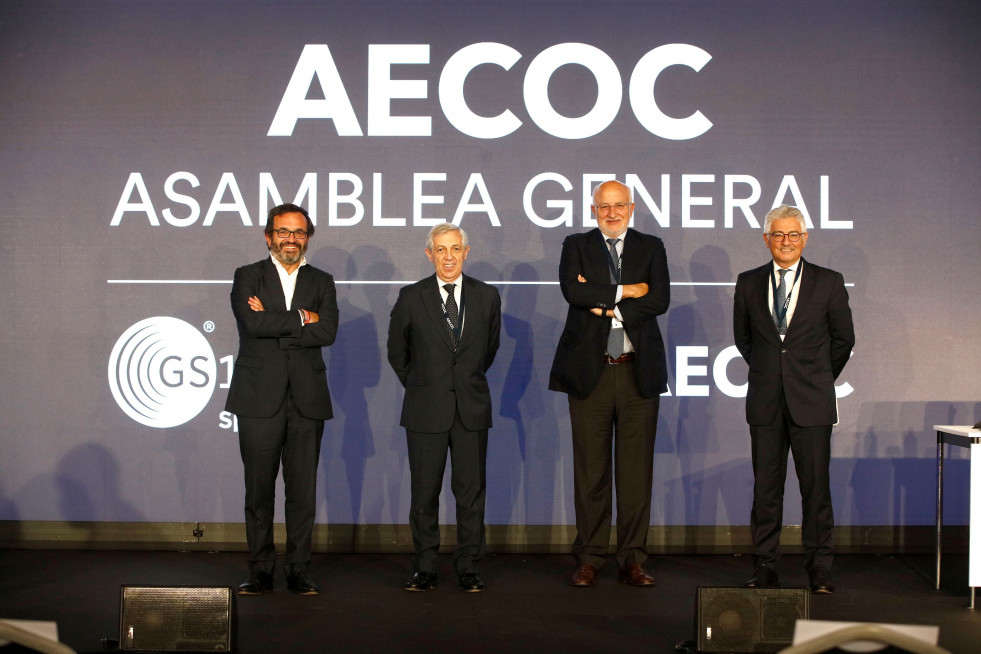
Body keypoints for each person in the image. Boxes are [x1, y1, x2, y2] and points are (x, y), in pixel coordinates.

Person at [548, 180, 670, 587]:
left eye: (619, 206)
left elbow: (660, 299)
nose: (612, 213)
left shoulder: (651, 246)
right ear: (594, 209)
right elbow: (572, 291)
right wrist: (628, 291)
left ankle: (632, 558)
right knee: (591, 472)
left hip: (637, 372)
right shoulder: (576, 245)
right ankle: (591, 556)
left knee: (635, 474)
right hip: (591, 373)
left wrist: (605, 305)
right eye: (604, 207)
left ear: (631, 208)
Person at [733, 204, 854, 594]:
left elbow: (843, 340)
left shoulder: (829, 281)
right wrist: (775, 375)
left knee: (815, 489)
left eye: (794, 235)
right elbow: (745, 339)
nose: (786, 242)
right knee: (766, 489)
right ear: (767, 239)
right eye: (779, 235)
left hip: (812, 402)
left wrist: (816, 378)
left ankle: (820, 569)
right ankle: (765, 566)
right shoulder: (748, 282)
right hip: (766, 401)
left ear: (805, 238)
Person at [225, 203, 338, 596]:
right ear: (269, 236)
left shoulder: (322, 280)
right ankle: (259, 570)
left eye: (299, 232)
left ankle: (298, 570)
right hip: (258, 399)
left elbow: (328, 333)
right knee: (258, 492)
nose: (291, 239)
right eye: (283, 232)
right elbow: (251, 324)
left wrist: (275, 319)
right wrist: (303, 318)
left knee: (302, 493)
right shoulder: (248, 276)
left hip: (307, 400)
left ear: (308, 237)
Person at [387, 222, 501, 593]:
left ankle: (468, 565)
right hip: (425, 410)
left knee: (470, 493)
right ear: (429, 254)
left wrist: (460, 384)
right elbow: (397, 353)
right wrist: (423, 386)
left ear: (466, 252)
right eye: (441, 250)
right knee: (424, 493)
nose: (448, 256)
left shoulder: (486, 297)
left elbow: (489, 350)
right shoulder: (410, 297)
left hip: (471, 409)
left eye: (455, 249)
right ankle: (425, 567)